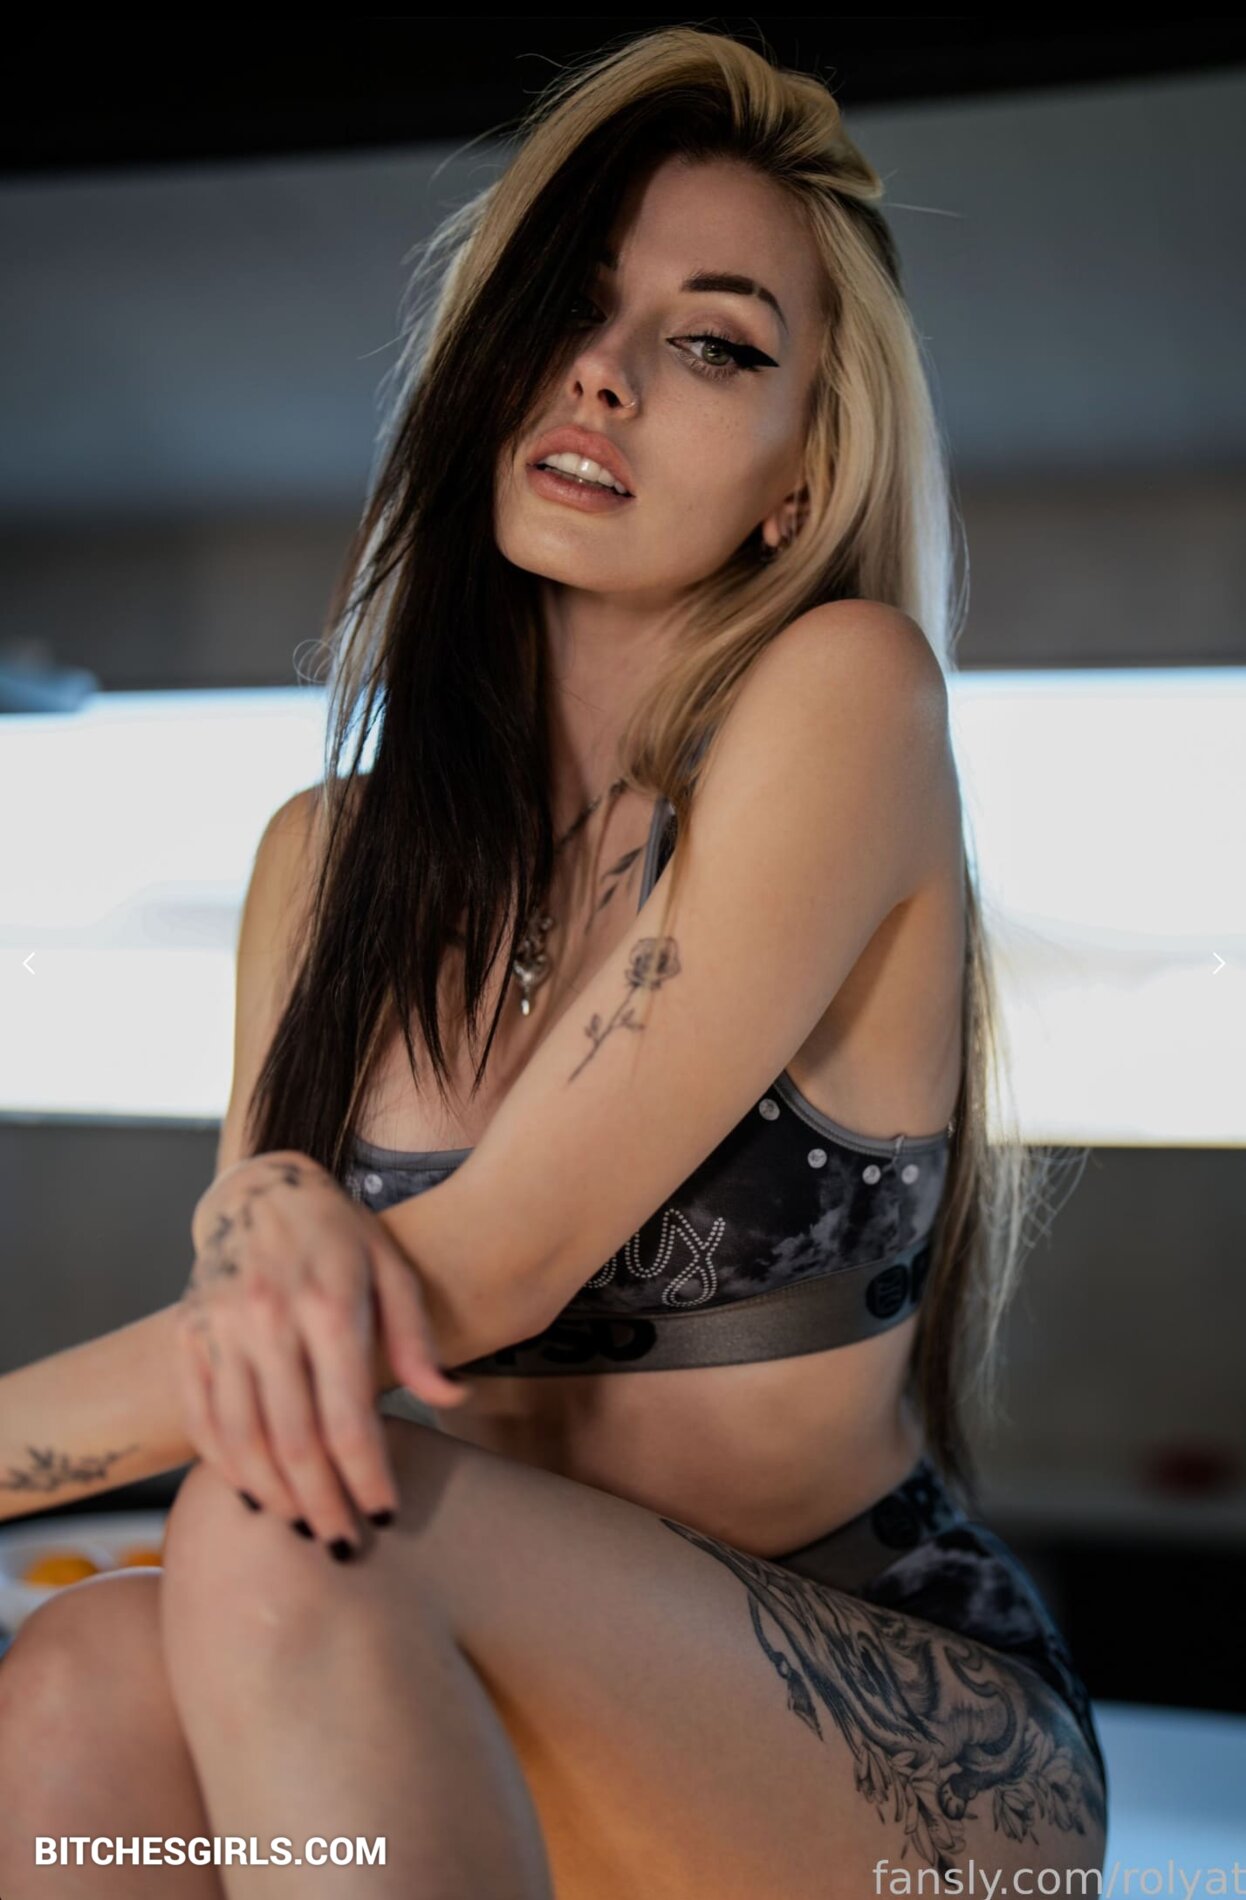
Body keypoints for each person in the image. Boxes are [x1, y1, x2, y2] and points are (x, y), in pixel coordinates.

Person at [0, 26, 1107, 1898]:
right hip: (478, 1688)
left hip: (897, 1749)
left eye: (713, 344)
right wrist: (260, 1220)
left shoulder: (843, 701)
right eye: (572, 306)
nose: (602, 370)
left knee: (264, 1531)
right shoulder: (321, 862)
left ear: (797, 475)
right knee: (77, 1676)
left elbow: (475, 1274)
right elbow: (262, 1340)